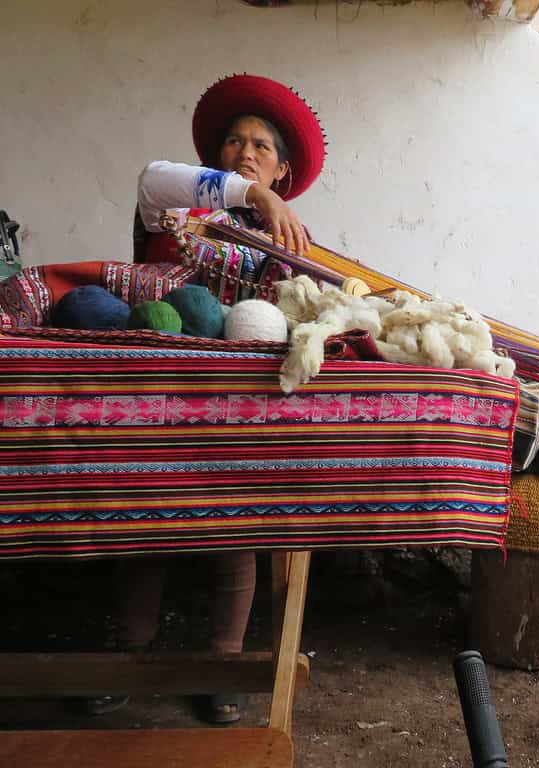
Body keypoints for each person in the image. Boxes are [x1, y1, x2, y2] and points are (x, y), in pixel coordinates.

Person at [86, 74, 326, 724]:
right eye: (234, 140)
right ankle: (124, 657)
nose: (244, 150)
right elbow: (150, 172)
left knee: (233, 531)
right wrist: (252, 197)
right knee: (144, 522)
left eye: (260, 147)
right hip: (158, 390)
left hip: (236, 405)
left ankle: (223, 664)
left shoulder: (293, 242)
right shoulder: (170, 198)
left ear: (285, 168)